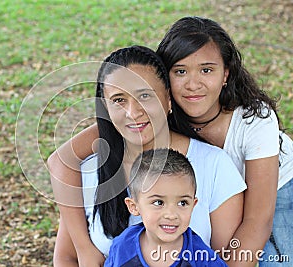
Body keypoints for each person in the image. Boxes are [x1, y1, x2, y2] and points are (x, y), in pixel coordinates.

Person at [49, 45, 247, 267]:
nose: (133, 112)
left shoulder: (214, 165)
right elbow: (66, 257)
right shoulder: (89, 171)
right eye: (119, 100)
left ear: (168, 99)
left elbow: (228, 260)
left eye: (145, 95)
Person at [155, 16, 293, 266]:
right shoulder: (156, 111)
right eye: (180, 71)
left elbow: (257, 220)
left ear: (225, 74)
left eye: (207, 70)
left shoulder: (254, 120)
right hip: (217, 199)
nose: (193, 84)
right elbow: (101, 132)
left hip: (279, 191)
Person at [105, 148, 227, 267]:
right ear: (134, 207)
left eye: (182, 203)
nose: (171, 215)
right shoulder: (122, 248)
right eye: (158, 202)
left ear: (193, 205)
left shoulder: (202, 258)